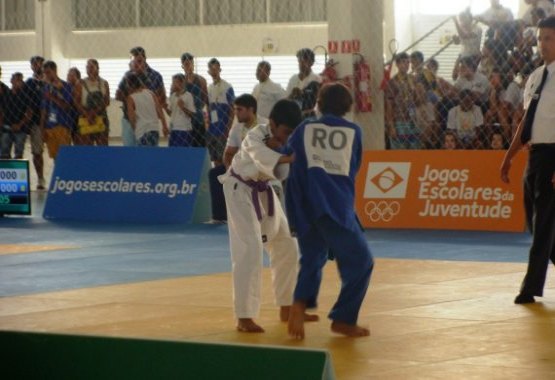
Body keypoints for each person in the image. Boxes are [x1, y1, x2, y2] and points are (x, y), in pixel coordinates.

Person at [286, 83, 374, 339]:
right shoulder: (353, 132)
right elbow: (353, 168)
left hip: (304, 204)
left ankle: (299, 305)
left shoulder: (304, 129)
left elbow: (292, 159)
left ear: (319, 104)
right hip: (335, 205)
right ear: (347, 106)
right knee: (361, 261)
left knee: (312, 257)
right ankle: (344, 319)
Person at [219, 99, 315, 333]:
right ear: (272, 123)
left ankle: (286, 305)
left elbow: (283, 172)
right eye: (284, 132)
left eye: (292, 133)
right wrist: (292, 158)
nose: (287, 137)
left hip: (264, 190)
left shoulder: (289, 140)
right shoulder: (255, 135)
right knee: (249, 249)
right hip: (239, 190)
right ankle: (244, 316)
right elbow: (268, 160)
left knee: (286, 244)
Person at [500, 16, 555, 304]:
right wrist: (509, 157)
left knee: (543, 222)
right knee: (533, 220)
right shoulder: (534, 77)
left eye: (548, 38)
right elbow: (524, 123)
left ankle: (530, 287)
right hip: (534, 155)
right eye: (539, 38)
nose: (542, 44)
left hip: (554, 155)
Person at [116, 47, 166, 146]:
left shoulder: (156, 76)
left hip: (148, 123)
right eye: (133, 60)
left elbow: (162, 97)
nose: (135, 63)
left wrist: (150, 101)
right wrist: (132, 97)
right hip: (129, 120)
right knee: (130, 151)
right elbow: (118, 95)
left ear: (144, 59)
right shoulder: (127, 76)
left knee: (149, 154)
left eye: (138, 60)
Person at [206, 58, 235, 224]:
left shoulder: (227, 87)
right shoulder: (209, 88)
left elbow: (231, 110)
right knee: (216, 164)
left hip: (223, 131)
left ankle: (228, 198)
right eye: (211, 68)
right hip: (213, 131)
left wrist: (228, 129)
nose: (213, 71)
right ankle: (219, 197)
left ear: (220, 69)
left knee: (225, 164)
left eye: (215, 68)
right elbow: (210, 110)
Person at [40, 60, 73, 160]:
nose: (46, 75)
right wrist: (42, 128)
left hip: (62, 125)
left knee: (65, 156)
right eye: (45, 73)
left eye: (48, 72)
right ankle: (59, 175)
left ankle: (66, 175)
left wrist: (53, 97)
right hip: (50, 126)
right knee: (54, 156)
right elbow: (44, 109)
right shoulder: (46, 87)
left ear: (55, 71)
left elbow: (67, 106)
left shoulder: (65, 86)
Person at [385, 52, 419, 149]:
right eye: (403, 62)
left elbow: (417, 101)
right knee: (400, 152)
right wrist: (391, 126)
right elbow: (389, 105)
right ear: (397, 64)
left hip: (412, 120)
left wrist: (417, 89)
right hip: (399, 121)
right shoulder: (393, 82)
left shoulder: (412, 79)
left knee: (414, 150)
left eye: (408, 62)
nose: (406, 65)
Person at [125, 72, 168, 146]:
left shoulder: (131, 98)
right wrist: (164, 125)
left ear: (129, 85)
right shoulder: (150, 93)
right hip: (154, 129)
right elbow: (159, 110)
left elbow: (132, 118)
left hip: (142, 131)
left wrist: (135, 129)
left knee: (143, 156)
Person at [74, 59, 110, 146]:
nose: (89, 69)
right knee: (87, 147)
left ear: (97, 68)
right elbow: (76, 101)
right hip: (85, 116)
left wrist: (95, 112)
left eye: (91, 67)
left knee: (102, 147)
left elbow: (107, 101)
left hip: (101, 116)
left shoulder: (104, 83)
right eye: (87, 67)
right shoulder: (80, 83)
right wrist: (87, 114)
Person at [25, 56, 46, 189]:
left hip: (53, 123)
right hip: (36, 123)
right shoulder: (29, 83)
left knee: (59, 151)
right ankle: (40, 178)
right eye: (34, 64)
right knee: (37, 152)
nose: (37, 66)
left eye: (39, 63)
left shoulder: (50, 81)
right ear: (32, 66)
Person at [181, 52, 209, 147]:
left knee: (200, 145)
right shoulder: (181, 82)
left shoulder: (201, 80)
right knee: (188, 145)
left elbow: (205, 97)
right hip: (185, 119)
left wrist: (198, 109)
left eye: (191, 63)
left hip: (198, 117)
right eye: (186, 64)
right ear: (182, 66)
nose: (189, 66)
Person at [1, 73, 31, 159]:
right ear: (11, 81)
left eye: (21, 81)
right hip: (6, 127)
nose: (19, 83)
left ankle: (17, 171)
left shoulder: (25, 96)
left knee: (19, 153)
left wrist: (20, 124)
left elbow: (29, 112)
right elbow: (2, 110)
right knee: (4, 153)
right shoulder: (5, 95)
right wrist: (2, 124)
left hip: (20, 128)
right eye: (17, 80)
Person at [286, 48, 322, 119]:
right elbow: (286, 100)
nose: (302, 64)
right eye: (300, 61)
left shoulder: (317, 79)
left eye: (305, 61)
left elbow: (319, 103)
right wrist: (292, 95)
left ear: (312, 63)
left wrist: (303, 93)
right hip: (294, 116)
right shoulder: (293, 79)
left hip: (311, 117)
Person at [166, 74, 195, 147]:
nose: (172, 84)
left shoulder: (188, 96)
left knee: (183, 153)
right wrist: (163, 106)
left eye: (174, 82)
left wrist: (183, 108)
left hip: (183, 129)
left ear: (181, 83)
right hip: (173, 129)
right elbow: (170, 113)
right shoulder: (172, 96)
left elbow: (192, 114)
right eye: (172, 82)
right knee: (172, 153)